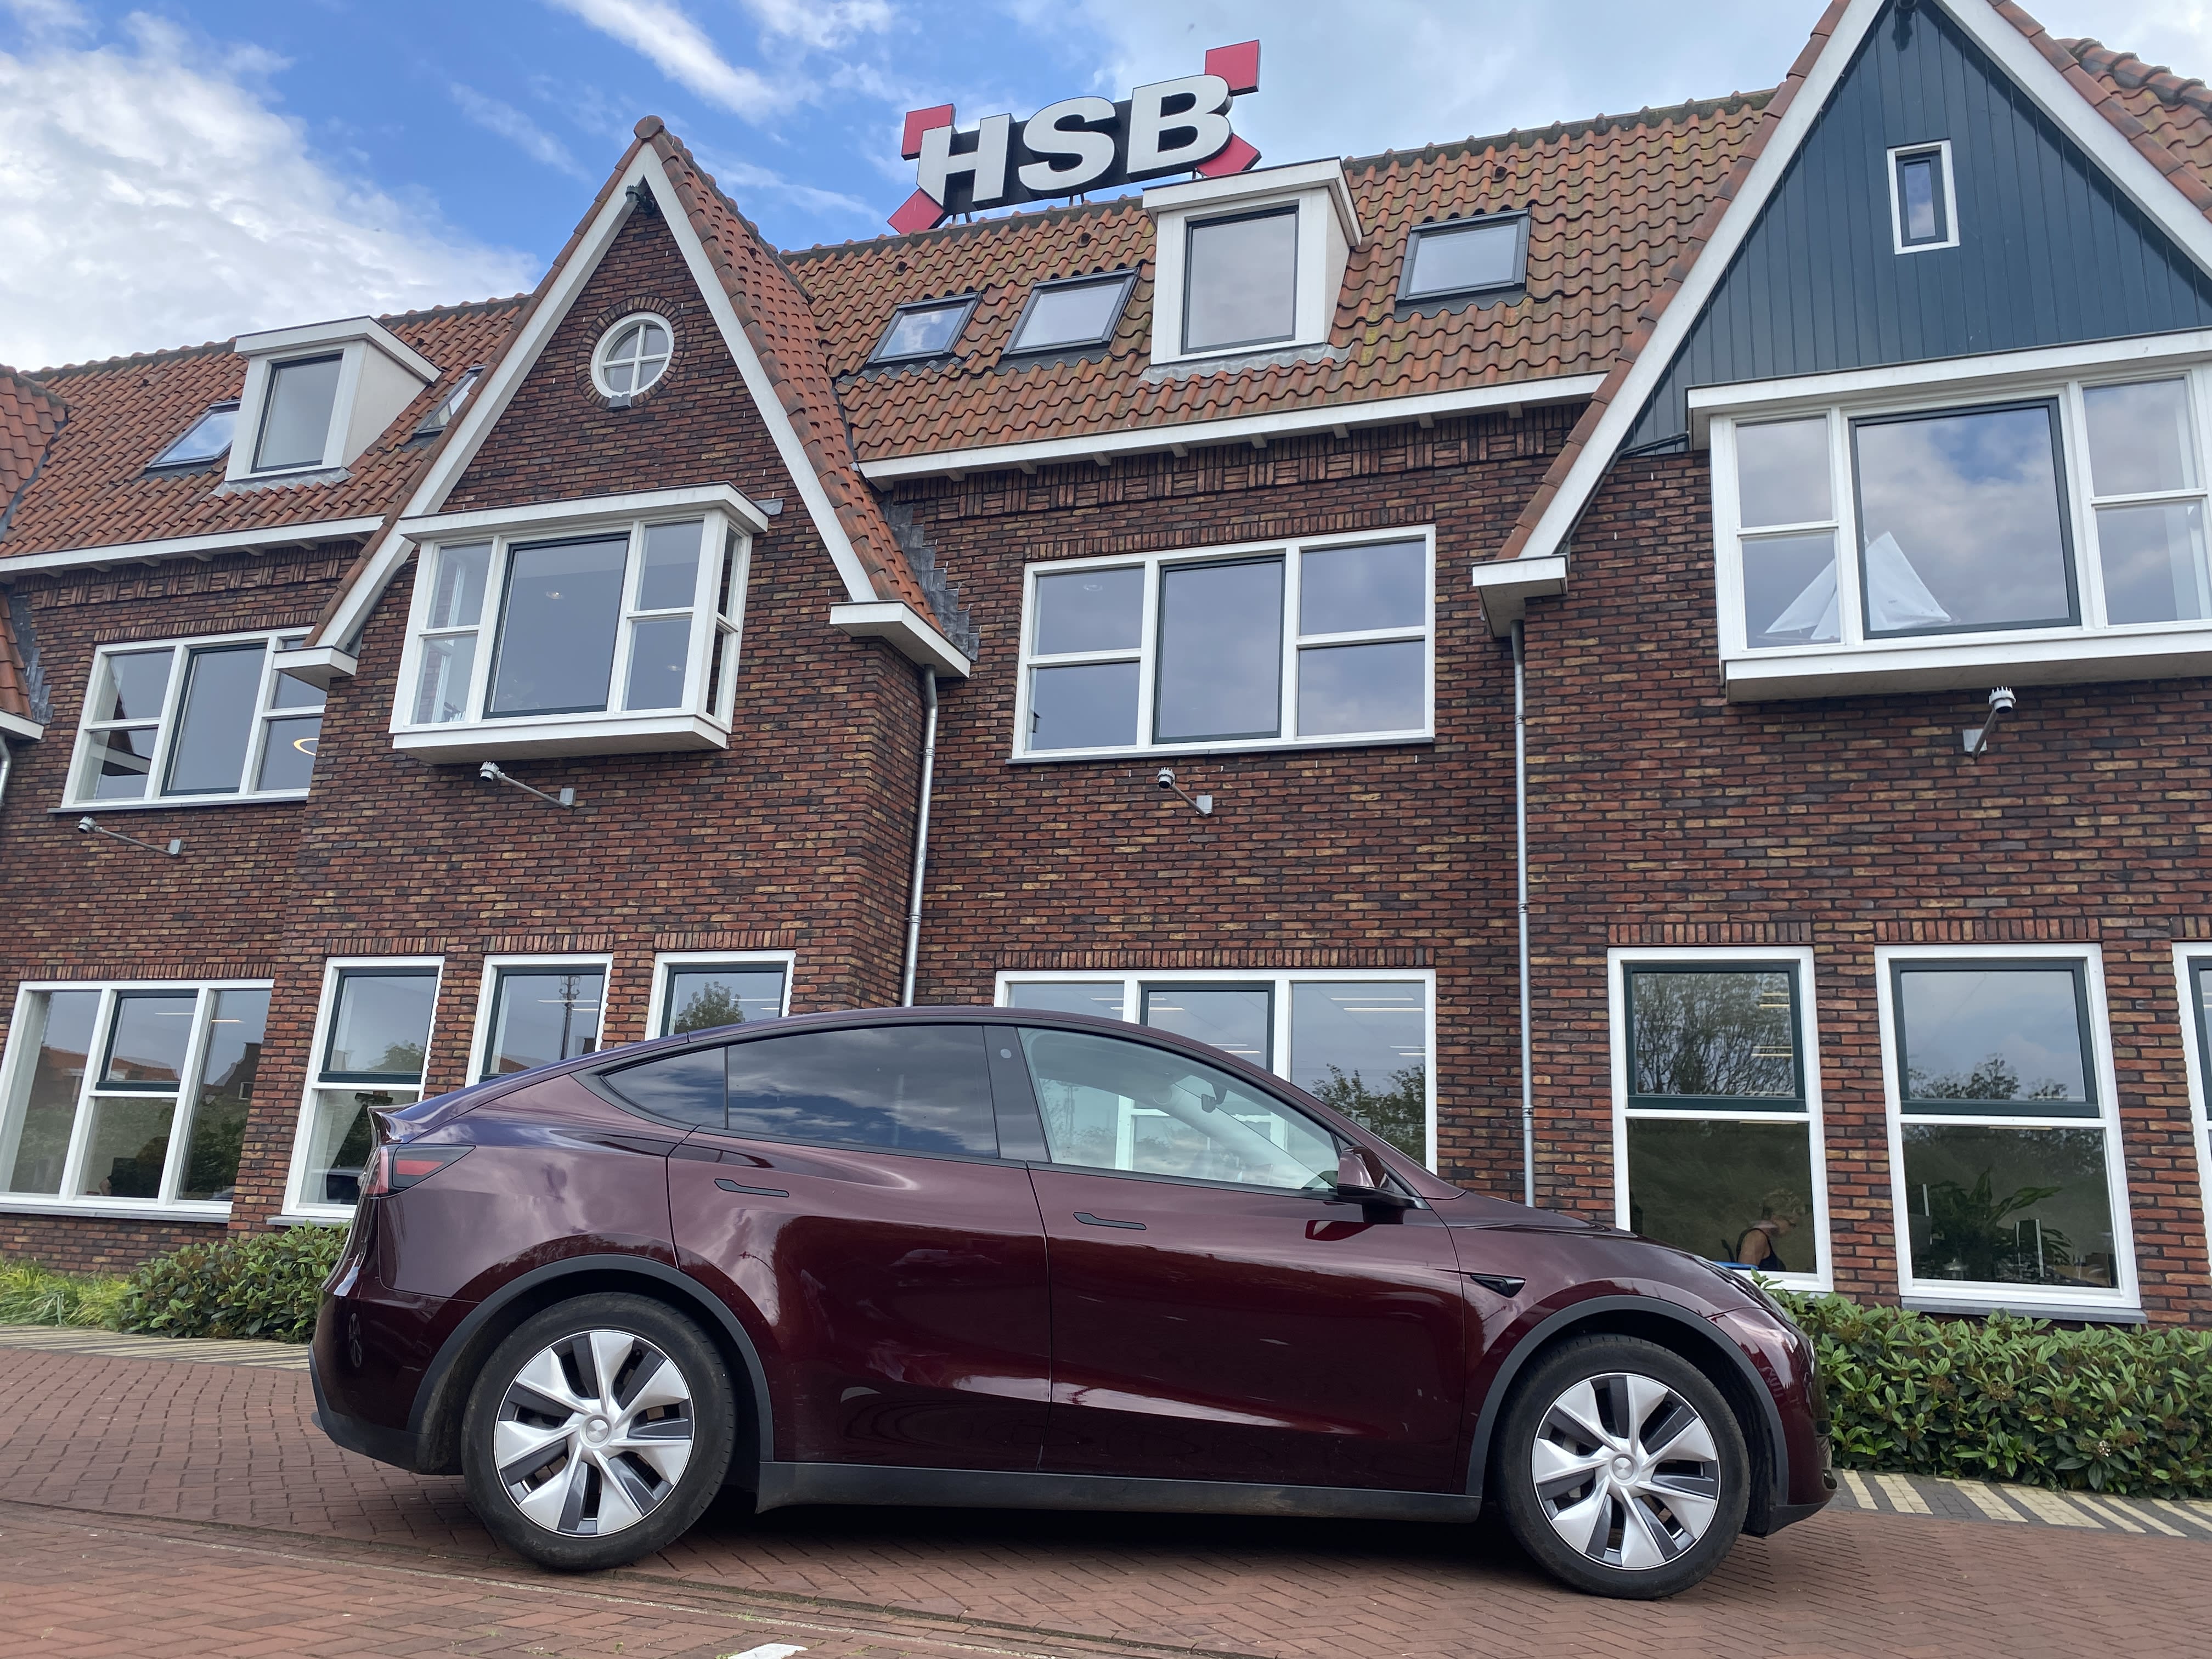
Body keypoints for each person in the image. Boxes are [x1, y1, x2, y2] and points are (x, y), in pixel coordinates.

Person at [1734, 1193, 1803, 1274]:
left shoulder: (1764, 1238)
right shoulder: (1757, 1237)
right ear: (1776, 1217)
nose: (1791, 1229)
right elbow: (1746, 1277)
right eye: (1792, 1224)